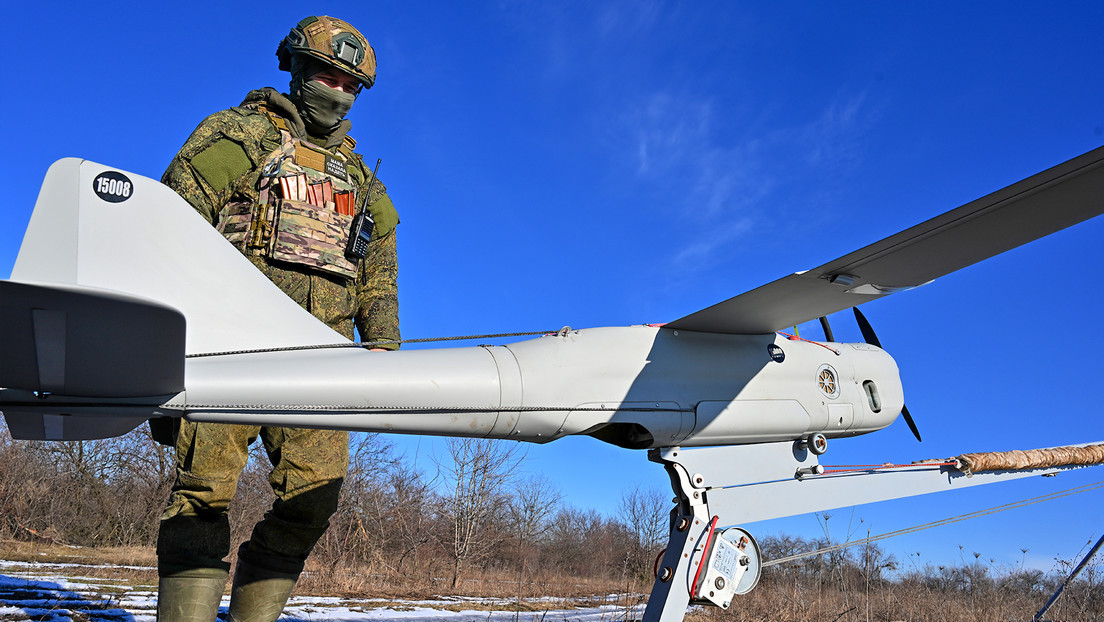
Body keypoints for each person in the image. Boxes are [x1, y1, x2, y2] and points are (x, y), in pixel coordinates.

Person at [153, 15, 399, 622]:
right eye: (324, 74)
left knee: (314, 500)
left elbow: (379, 280)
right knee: (202, 496)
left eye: (350, 84)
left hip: (322, 370)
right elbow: (167, 233)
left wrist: (385, 357)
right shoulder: (236, 139)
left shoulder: (365, 183)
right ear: (292, 66)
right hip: (225, 354)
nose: (336, 91)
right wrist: (160, 356)